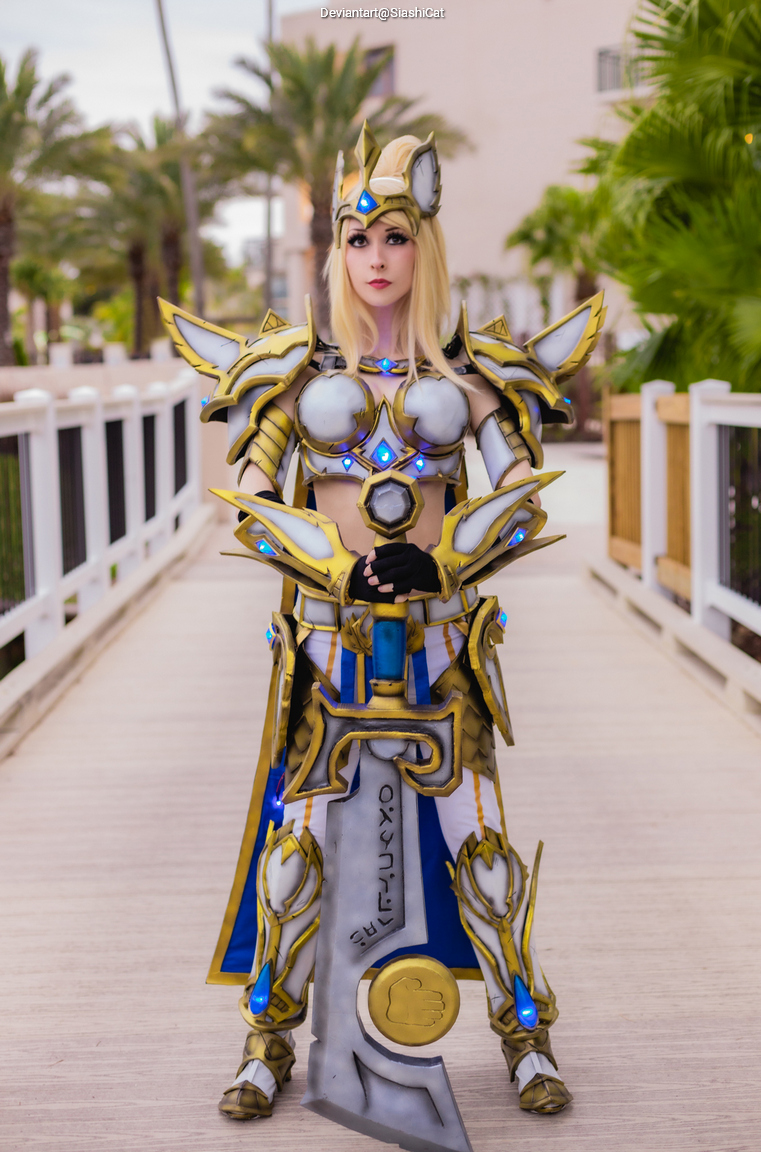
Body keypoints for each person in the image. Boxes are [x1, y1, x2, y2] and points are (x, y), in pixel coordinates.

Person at [160, 123, 605, 1127]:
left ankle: (525, 1033)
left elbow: (524, 496)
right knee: (298, 849)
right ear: (337, 254)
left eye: (394, 239)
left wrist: (442, 559)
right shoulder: (296, 371)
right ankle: (267, 1042)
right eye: (358, 242)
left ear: (424, 246)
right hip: (330, 646)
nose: (375, 260)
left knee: (480, 848)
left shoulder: (470, 377)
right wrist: (331, 562)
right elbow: (249, 499)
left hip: (444, 643)